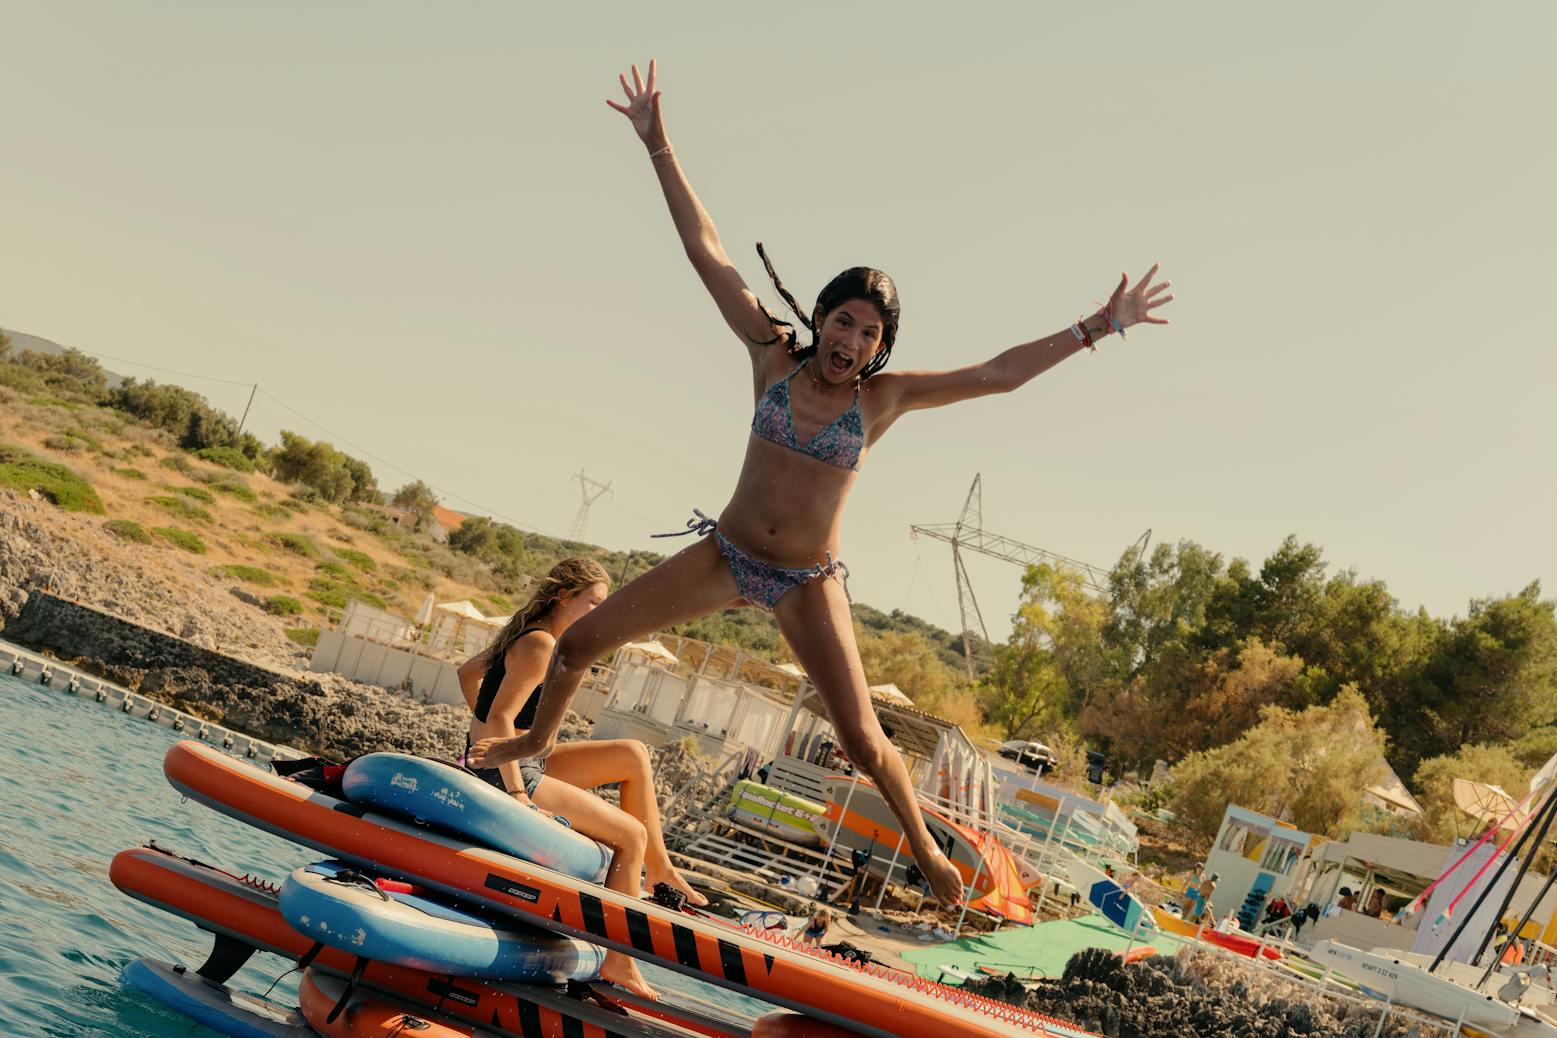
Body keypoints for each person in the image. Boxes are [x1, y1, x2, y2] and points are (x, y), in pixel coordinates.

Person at [470, 60, 1174, 912]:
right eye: (842, 320)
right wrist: (658, 145)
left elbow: (998, 374)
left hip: (806, 582)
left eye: (867, 334)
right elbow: (708, 254)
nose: (849, 340)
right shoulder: (771, 356)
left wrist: (1100, 324)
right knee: (581, 647)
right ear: (820, 319)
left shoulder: (882, 400)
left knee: (862, 738)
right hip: (723, 557)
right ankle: (528, 743)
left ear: (878, 349)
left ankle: (933, 859)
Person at [457, 557, 703, 1001]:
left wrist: (478, 737)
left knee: (632, 754)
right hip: (509, 772)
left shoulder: (531, 636)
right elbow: (500, 715)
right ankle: (618, 962)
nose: (598, 611)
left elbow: (467, 675)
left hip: (517, 760)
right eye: (591, 602)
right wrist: (514, 788)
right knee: (630, 836)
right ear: (563, 597)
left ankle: (660, 871)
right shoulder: (541, 646)